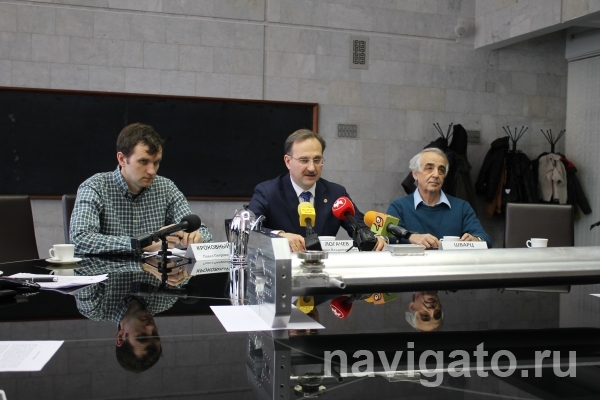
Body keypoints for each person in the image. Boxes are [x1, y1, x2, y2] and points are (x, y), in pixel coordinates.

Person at [70, 123, 212, 254]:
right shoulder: (95, 187)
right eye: (143, 161)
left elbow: (204, 233)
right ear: (122, 159)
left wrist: (196, 237)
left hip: (155, 272)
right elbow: (80, 239)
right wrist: (141, 244)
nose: (152, 171)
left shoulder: (166, 188)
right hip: (108, 272)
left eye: (156, 162)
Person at [248, 129, 386, 252]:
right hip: (282, 268)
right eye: (304, 160)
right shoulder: (268, 192)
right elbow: (249, 229)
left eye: (317, 160)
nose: (312, 168)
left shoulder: (336, 193)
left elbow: (359, 226)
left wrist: (375, 237)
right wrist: (279, 235)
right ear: (288, 161)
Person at [387, 148, 492, 249]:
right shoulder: (399, 207)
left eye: (441, 170)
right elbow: (387, 238)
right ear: (415, 174)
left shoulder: (462, 207)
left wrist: (475, 240)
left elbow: (485, 239)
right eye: (429, 168)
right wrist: (411, 237)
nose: (436, 175)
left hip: (450, 261)